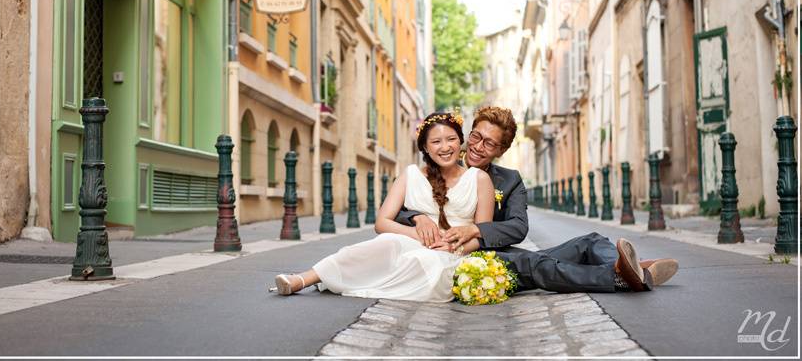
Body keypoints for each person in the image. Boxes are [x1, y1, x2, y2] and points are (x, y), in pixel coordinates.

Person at [396, 106, 678, 293]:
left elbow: (518, 226)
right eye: (476, 137)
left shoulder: (510, 180)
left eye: (490, 143)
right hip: (465, 258)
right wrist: (415, 217)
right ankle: (621, 276)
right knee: (538, 265)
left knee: (589, 241)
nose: (478, 147)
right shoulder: (440, 163)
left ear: (501, 150)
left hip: (499, 251)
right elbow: (403, 204)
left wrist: (477, 228)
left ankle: (629, 267)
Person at [271, 111, 495, 301]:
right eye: (436, 142)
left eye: (451, 139)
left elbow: (483, 233)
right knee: (382, 244)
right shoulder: (411, 175)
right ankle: (301, 279)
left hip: (451, 253)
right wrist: (417, 232)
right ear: (425, 148)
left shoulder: (479, 179)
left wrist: (453, 248)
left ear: (460, 141)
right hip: (411, 240)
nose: (445, 147)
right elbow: (382, 222)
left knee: (425, 262)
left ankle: (357, 279)